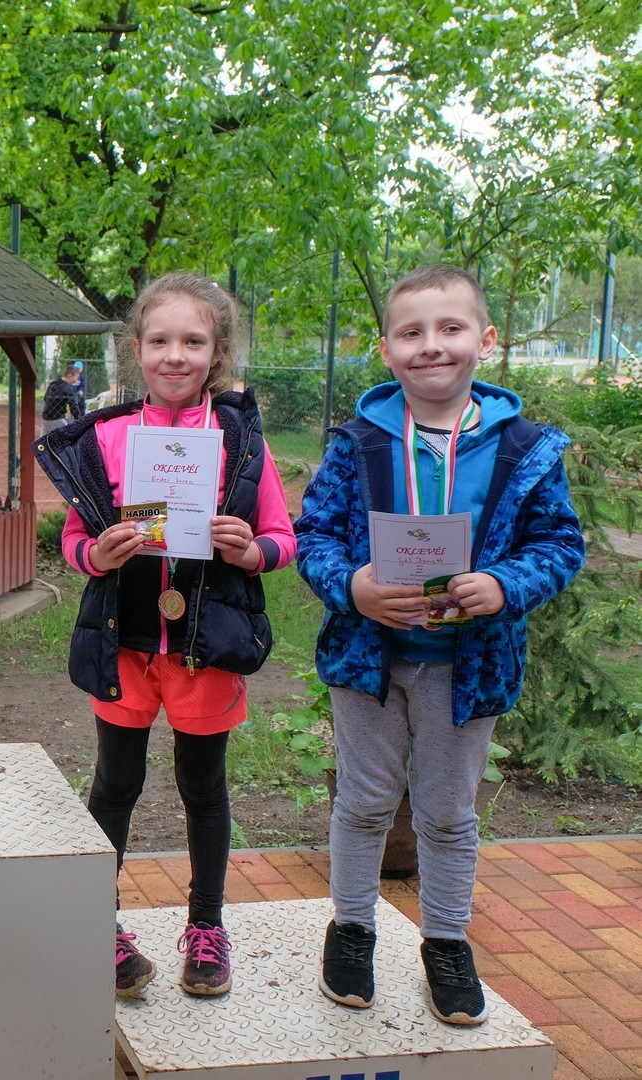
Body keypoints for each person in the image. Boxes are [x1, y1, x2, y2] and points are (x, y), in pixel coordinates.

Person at [295, 264, 582, 1025]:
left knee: (449, 813)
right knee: (363, 803)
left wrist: (505, 585)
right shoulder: (358, 443)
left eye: (450, 328)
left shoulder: (526, 448)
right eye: (411, 332)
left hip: (468, 667)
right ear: (386, 349)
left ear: (486, 340)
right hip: (369, 660)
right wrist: (352, 586)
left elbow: (559, 544)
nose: (431, 345)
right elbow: (312, 534)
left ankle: (447, 941)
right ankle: (351, 930)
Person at [33, 272, 296, 998]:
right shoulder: (106, 438)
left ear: (217, 353)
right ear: (137, 349)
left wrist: (251, 551)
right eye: (159, 340)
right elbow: (76, 540)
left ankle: (207, 928)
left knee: (203, 788)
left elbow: (282, 536)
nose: (175, 355)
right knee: (115, 784)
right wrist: (96, 555)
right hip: (125, 644)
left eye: (193, 341)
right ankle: (97, 920)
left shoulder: (241, 442)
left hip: (204, 650)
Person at [42, 363, 86, 433]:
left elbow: (45, 398)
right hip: (57, 419)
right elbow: (73, 406)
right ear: (70, 376)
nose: (76, 381)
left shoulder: (53, 384)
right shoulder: (67, 388)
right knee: (65, 436)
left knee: (45, 437)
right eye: (76, 378)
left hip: (45, 417)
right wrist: (79, 420)